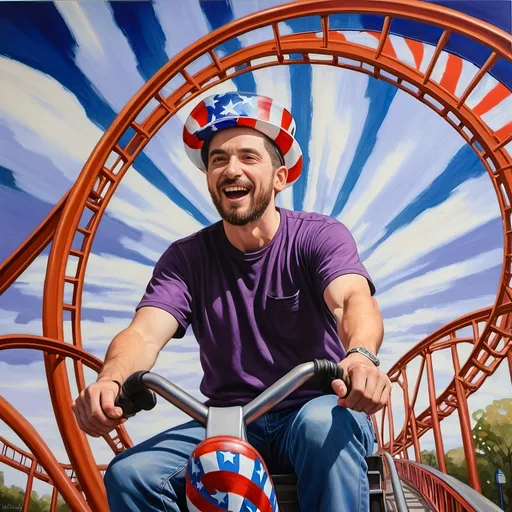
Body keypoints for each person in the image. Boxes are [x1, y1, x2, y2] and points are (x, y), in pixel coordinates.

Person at [72, 91, 392, 512]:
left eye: (248, 157)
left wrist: (360, 358)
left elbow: (351, 298)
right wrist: (112, 380)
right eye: (218, 160)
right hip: (230, 420)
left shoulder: (318, 236)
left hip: (315, 405)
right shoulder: (185, 259)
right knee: (131, 474)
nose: (231, 169)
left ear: (280, 177)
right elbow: (144, 333)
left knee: (322, 428)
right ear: (208, 177)